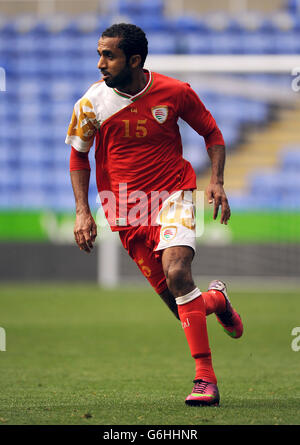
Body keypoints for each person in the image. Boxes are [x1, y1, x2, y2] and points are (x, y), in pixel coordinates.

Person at [65, 23, 243, 407]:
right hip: (124, 208)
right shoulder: (91, 103)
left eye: (108, 55)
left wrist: (217, 180)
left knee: (178, 274)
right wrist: (83, 210)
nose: (100, 63)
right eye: (99, 54)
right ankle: (217, 301)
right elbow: (78, 154)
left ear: (134, 59)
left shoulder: (175, 92)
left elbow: (212, 133)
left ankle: (205, 380)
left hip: (172, 195)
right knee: (181, 305)